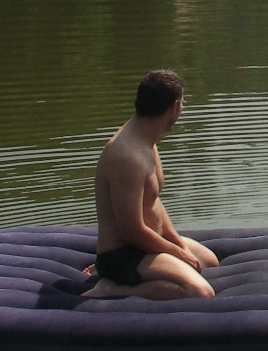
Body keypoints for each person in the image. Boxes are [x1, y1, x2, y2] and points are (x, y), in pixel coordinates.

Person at [84, 69, 219, 300]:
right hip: (122, 255)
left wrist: (175, 240)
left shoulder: (146, 139)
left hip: (146, 245)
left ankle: (128, 276)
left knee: (209, 263)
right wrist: (177, 253)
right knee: (201, 293)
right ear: (175, 107)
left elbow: (152, 201)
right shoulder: (127, 157)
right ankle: (114, 287)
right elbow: (130, 231)